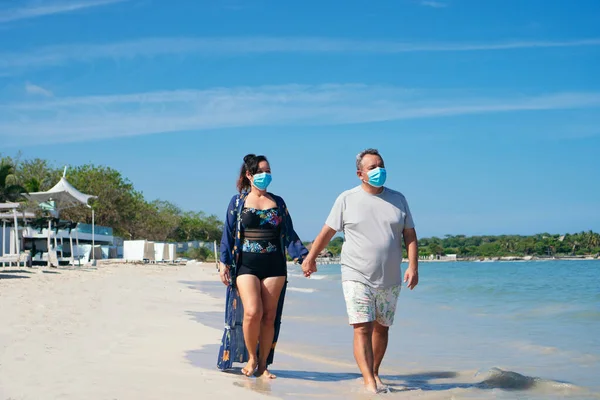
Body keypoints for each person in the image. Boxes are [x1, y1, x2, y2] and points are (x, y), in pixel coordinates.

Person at [301, 148, 419, 393]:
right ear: (360, 174)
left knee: (382, 327)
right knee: (362, 326)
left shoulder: (398, 199)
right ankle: (368, 381)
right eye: (372, 167)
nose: (379, 170)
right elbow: (328, 231)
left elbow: (409, 234)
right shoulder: (347, 198)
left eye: (381, 165)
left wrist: (413, 266)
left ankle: (375, 373)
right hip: (356, 273)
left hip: (390, 276)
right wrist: (311, 257)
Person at [217, 154, 308, 379]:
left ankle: (264, 365)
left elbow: (289, 233)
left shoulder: (278, 202)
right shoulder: (237, 202)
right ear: (249, 175)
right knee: (252, 312)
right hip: (246, 265)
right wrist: (223, 262)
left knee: (269, 316)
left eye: (268, 171)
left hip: (274, 265)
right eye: (261, 172)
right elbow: (228, 233)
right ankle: (251, 357)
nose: (266, 175)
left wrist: (304, 258)